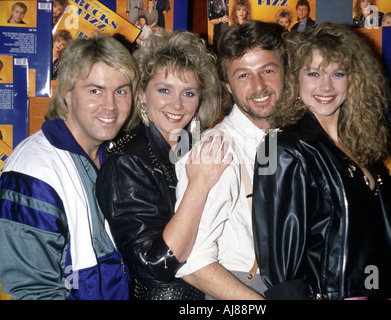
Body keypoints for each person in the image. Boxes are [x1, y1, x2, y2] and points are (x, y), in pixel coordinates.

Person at [252, 22, 391, 300]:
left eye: (338, 73)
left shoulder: (358, 145)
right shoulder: (282, 147)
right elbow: (281, 271)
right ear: (294, 79)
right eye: (313, 73)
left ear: (354, 79)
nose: (326, 86)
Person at [0, 35, 139, 300]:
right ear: (68, 95)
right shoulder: (33, 173)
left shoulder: (113, 153)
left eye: (121, 90)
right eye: (95, 91)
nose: (110, 105)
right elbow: (34, 292)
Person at [96, 30, 230, 300]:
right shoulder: (126, 162)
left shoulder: (190, 147)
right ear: (142, 94)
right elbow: (158, 263)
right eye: (164, 90)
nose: (177, 104)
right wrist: (199, 185)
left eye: (188, 92)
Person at [174, 20, 290, 300]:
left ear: (286, 72)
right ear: (227, 86)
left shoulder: (290, 138)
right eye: (243, 76)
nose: (259, 86)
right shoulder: (216, 150)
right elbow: (191, 262)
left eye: (268, 70)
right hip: (242, 290)